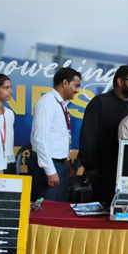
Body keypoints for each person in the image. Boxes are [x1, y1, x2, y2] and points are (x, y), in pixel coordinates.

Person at [78, 66, 128, 203]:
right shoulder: (99, 102)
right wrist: (91, 167)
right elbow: (88, 136)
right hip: (103, 172)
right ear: (120, 81)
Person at [29, 68, 81, 202]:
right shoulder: (47, 103)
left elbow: (59, 137)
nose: (77, 90)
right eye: (76, 86)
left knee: (59, 207)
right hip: (48, 165)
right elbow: (40, 139)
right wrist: (50, 171)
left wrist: (66, 160)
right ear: (65, 83)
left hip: (60, 164)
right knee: (46, 207)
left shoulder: (62, 105)